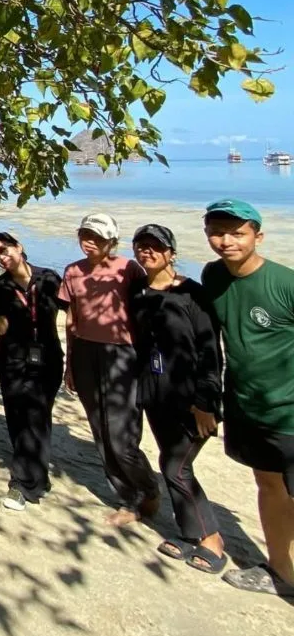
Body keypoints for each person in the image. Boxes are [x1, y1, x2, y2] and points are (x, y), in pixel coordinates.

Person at [200, 199, 294, 597]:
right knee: (268, 485)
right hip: (246, 405)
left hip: (290, 412)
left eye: (237, 233)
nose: (227, 241)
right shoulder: (212, 276)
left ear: (259, 235)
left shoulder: (285, 284)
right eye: (217, 233)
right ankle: (281, 571)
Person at [127, 224, 226, 573]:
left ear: (171, 252)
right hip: (156, 392)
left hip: (191, 397)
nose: (147, 251)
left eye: (155, 246)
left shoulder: (191, 293)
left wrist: (206, 402)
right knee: (174, 463)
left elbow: (211, 351)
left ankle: (212, 540)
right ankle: (189, 533)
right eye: (141, 245)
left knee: (175, 467)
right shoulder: (137, 291)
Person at [59, 212, 157, 525]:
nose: (89, 242)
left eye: (97, 238)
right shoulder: (73, 271)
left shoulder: (129, 269)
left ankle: (147, 488)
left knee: (121, 435)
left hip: (122, 354)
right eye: (85, 236)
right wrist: (70, 363)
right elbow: (72, 319)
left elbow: (147, 312)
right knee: (100, 430)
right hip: (85, 351)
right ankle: (129, 499)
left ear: (112, 241)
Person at [0, 232, 65, 509]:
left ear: (18, 246)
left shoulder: (49, 278)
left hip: (48, 356)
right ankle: (38, 477)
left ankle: (22, 484)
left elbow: (72, 313)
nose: (2, 256)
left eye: (4, 249)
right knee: (18, 418)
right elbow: (1, 327)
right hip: (13, 358)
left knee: (36, 416)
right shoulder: (0, 287)